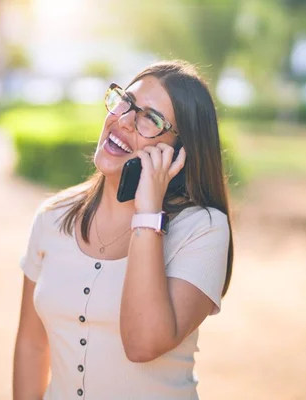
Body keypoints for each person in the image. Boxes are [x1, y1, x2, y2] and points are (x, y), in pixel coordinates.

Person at [13, 60, 234, 400]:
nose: (125, 120)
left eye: (151, 118)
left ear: (178, 151)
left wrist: (148, 213)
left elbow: (143, 343)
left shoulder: (203, 230)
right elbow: (31, 343)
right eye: (125, 102)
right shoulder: (52, 216)